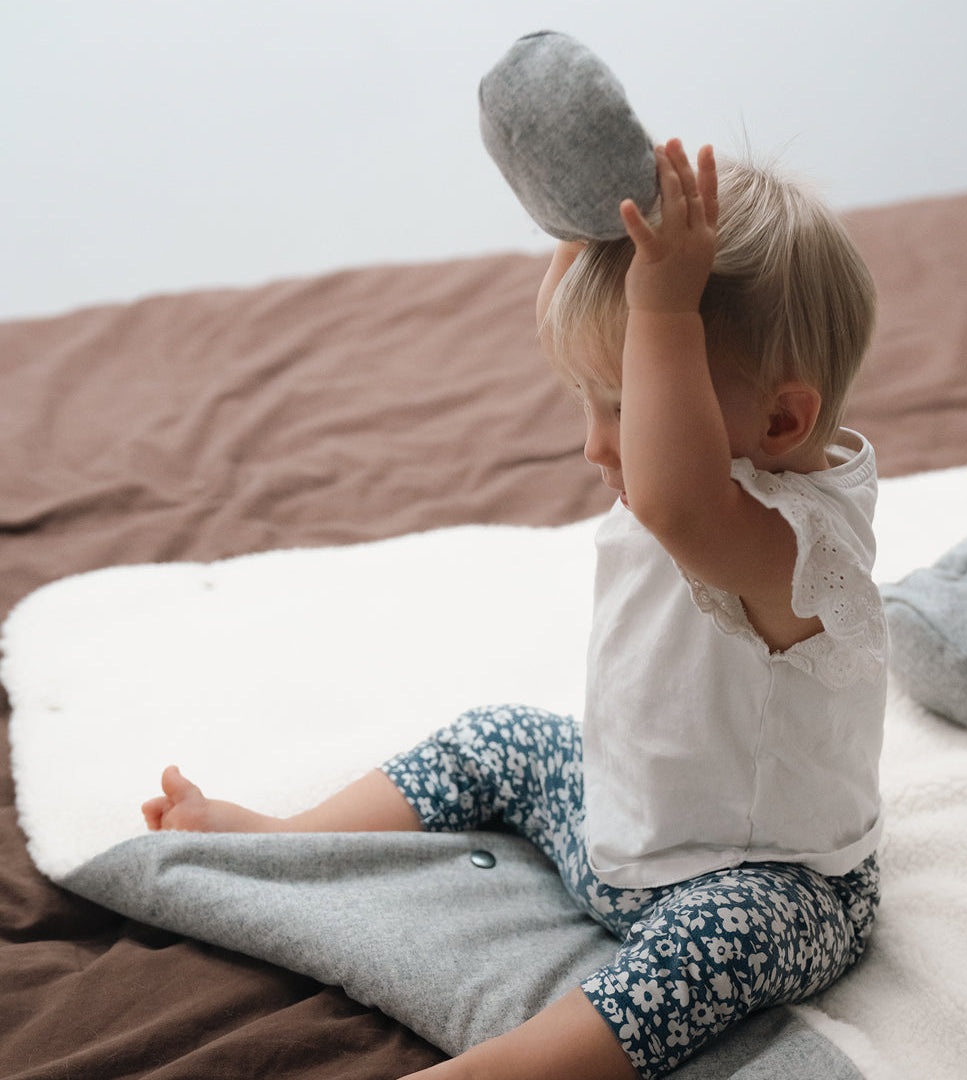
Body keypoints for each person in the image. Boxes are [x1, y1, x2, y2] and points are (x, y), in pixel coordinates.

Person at [143, 140, 888, 1079]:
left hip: (773, 880)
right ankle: (289, 841)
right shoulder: (702, 467)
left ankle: (501, 1068)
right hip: (622, 823)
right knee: (501, 737)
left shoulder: (797, 544)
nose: (595, 447)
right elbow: (584, 347)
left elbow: (678, 499)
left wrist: (664, 307)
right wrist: (580, 225)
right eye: (590, 404)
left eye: (622, 409)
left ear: (780, 421)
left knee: (720, 942)